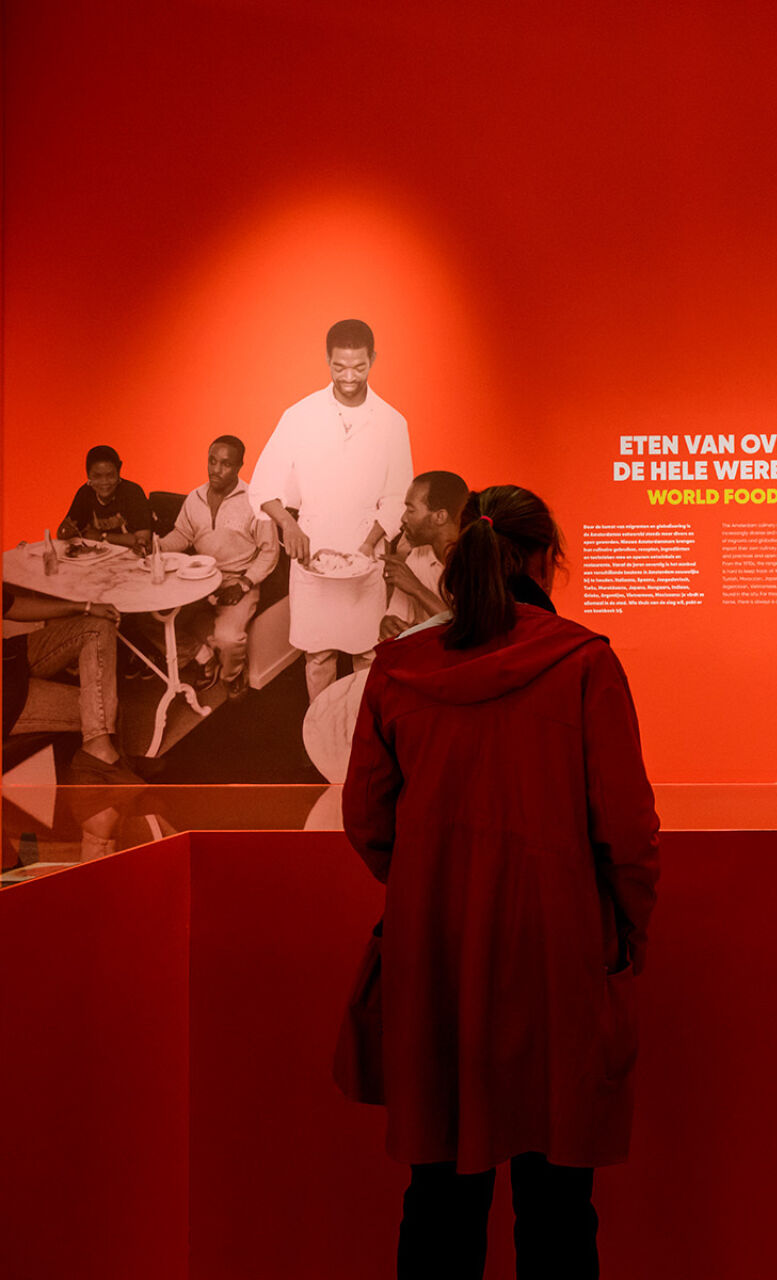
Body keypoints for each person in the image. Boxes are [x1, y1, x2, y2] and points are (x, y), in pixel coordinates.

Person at [342, 484, 660, 1279]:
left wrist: (432, 882)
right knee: (558, 1207)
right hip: (558, 950)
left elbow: (368, 821)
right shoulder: (584, 663)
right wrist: (626, 929)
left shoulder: (398, 670)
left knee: (438, 1201)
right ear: (545, 561)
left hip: (435, 951)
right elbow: (627, 831)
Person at [250, 319, 413, 702]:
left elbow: (397, 498)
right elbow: (263, 486)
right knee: (318, 654)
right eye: (339, 367)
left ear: (373, 359)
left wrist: (368, 545)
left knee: (367, 653)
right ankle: (319, 727)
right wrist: (289, 525)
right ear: (327, 359)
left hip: (365, 553)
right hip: (313, 550)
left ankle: (363, 728)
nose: (349, 377)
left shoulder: (392, 422)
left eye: (359, 367)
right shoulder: (299, 415)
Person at [156, 435, 279, 700]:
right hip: (198, 578)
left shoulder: (255, 502)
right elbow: (183, 534)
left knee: (229, 639)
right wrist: (157, 547)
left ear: (239, 466)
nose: (216, 469)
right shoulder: (195, 497)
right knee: (154, 619)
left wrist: (244, 584)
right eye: (212, 461)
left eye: (225, 464)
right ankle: (203, 656)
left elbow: (270, 552)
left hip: (237, 581)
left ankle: (232, 675)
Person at [3, 585, 153, 783]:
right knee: (101, 709)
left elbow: (10, 605)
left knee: (97, 628)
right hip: (6, 693)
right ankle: (105, 763)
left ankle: (107, 757)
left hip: (9, 659)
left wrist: (84, 607)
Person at [379, 471, 468, 641]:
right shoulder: (418, 554)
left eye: (410, 510)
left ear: (439, 517)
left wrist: (417, 589)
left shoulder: (474, 561)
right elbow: (398, 615)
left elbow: (468, 633)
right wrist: (388, 623)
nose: (403, 518)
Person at [57, 445, 154, 552]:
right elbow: (67, 530)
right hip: (96, 556)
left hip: (129, 556)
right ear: (88, 475)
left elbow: (142, 540)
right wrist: (64, 532)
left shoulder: (132, 492)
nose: (104, 482)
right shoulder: (85, 493)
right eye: (97, 476)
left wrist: (102, 536)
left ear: (119, 472)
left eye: (110, 475)